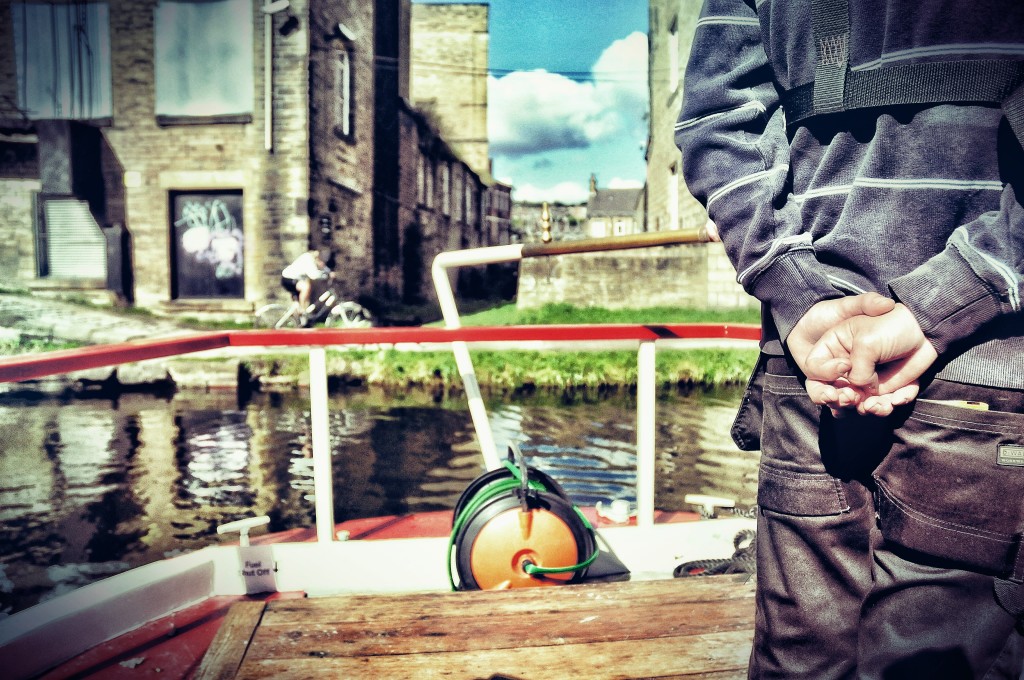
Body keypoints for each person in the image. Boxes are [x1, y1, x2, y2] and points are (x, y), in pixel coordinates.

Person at [677, 1, 1024, 678]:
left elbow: (716, 123)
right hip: (981, 374)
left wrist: (797, 293)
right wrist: (943, 300)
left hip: (814, 360)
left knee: (799, 661)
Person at [281, 249, 331, 321]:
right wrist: (327, 276)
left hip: (294, 279)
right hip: (288, 278)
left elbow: (323, 267)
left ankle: (300, 320)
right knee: (305, 287)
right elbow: (313, 276)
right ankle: (302, 310)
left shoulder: (314, 259)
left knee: (299, 300)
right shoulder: (308, 258)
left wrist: (329, 272)